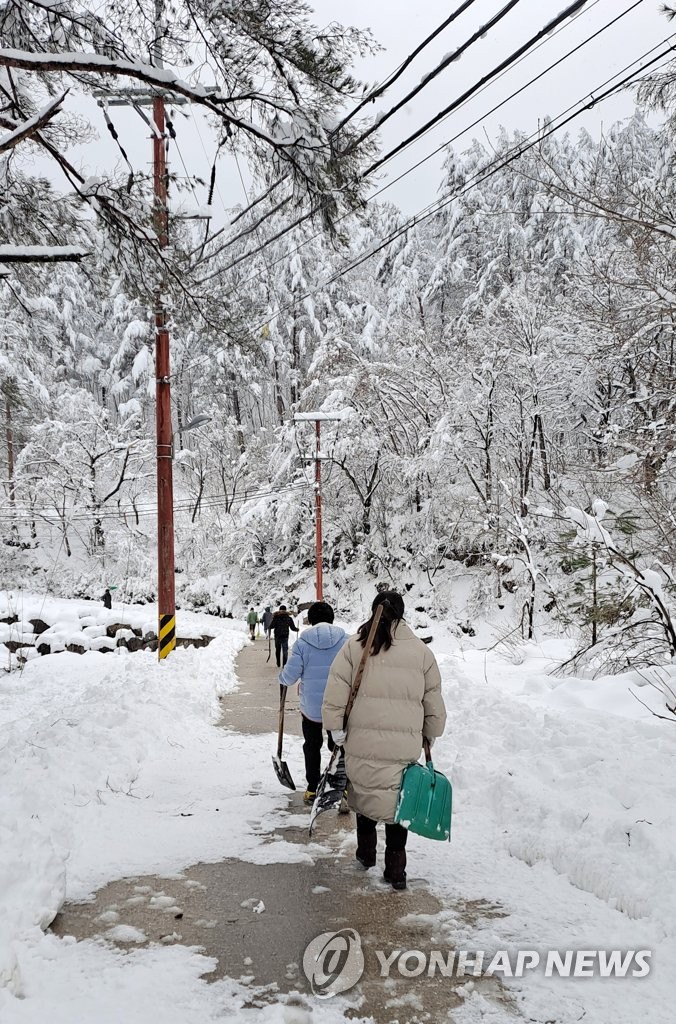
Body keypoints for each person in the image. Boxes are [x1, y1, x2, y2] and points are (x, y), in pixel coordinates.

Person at [322, 591, 446, 891]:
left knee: (365, 794)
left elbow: (336, 691)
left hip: (361, 740)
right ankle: (396, 870)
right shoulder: (421, 653)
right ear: (401, 615)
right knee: (396, 801)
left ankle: (365, 855)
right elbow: (434, 702)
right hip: (403, 744)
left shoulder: (355, 646)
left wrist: (335, 728)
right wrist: (430, 732)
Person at [279, 601, 347, 804]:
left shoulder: (302, 643)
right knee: (341, 745)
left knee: (312, 745)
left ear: (311, 620)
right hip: (340, 706)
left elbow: (290, 677)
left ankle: (312, 788)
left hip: (311, 708)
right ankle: (342, 787)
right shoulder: (347, 640)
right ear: (332, 618)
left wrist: (281, 678)